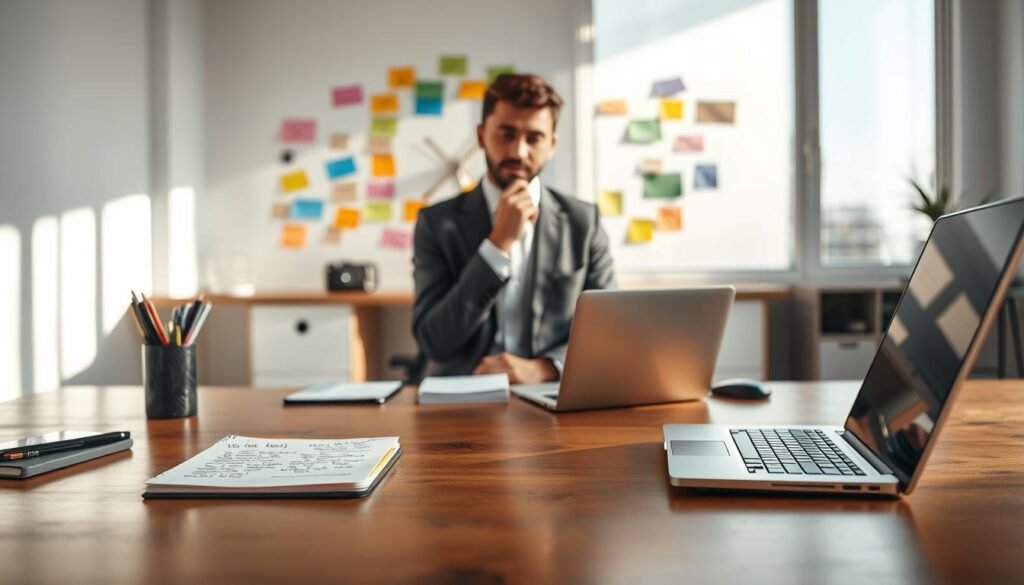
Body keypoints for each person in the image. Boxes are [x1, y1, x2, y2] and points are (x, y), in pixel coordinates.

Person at [412, 73, 616, 384]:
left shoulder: (583, 222)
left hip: (551, 392)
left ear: (552, 144)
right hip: (459, 397)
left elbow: (609, 331)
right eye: (506, 134)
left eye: (534, 138)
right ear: (481, 136)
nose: (519, 151)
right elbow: (434, 342)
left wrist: (544, 368)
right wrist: (497, 245)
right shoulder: (436, 223)